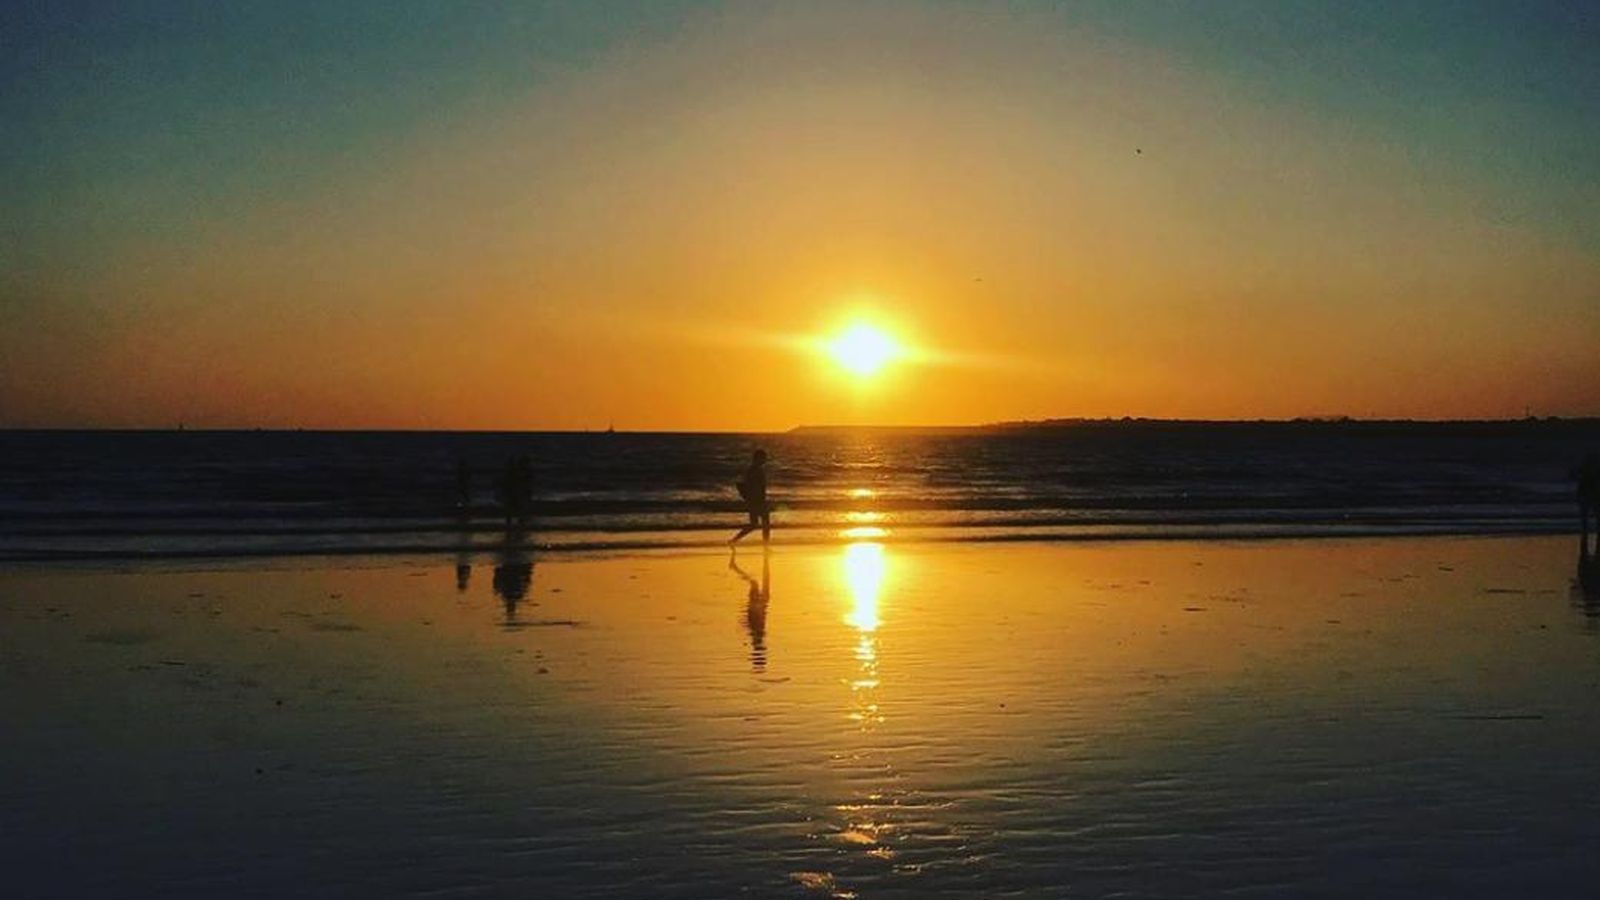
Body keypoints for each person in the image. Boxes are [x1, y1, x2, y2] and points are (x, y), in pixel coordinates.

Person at [731, 448, 771, 544]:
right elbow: (755, 486)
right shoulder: (754, 470)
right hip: (756, 501)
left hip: (754, 500)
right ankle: (766, 545)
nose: (765, 460)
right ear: (758, 458)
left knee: (755, 524)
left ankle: (734, 540)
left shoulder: (755, 469)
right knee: (763, 523)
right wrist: (759, 499)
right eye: (763, 458)